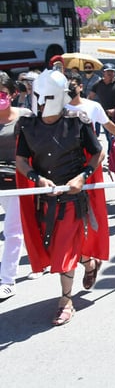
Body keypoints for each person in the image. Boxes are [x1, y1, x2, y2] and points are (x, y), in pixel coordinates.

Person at [15, 70, 109, 325]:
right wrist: (36, 178)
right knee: (57, 247)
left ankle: (65, 300)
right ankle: (89, 263)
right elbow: (21, 160)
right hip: (45, 199)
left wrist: (82, 177)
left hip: (72, 198)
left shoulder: (77, 121)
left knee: (64, 249)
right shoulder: (28, 125)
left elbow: (96, 153)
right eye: (39, 98)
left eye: (47, 98)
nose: (42, 103)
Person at [0, 72, 33, 300]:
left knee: (13, 232)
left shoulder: (25, 116)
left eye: (2, 92)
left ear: (12, 93)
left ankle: (7, 280)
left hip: (16, 181)